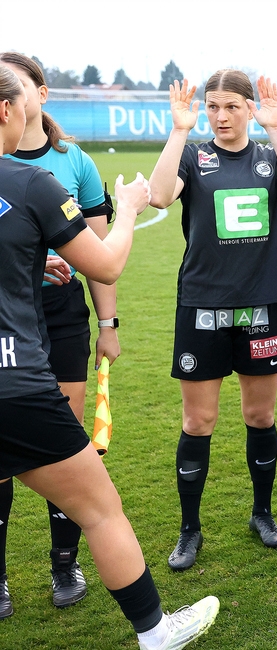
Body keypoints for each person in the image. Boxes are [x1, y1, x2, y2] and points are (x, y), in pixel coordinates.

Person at [0, 63, 218, 648]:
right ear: (6, 110)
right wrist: (127, 208)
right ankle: (154, 632)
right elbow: (106, 262)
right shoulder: (28, 182)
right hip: (13, 384)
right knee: (100, 509)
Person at [148, 71, 277, 571]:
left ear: (249, 107)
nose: (221, 117)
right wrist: (179, 130)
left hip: (260, 309)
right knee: (198, 420)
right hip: (201, 307)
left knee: (260, 417)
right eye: (214, 107)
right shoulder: (193, 156)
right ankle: (189, 529)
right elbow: (157, 197)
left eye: (231, 107)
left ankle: (262, 514)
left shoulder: (267, 156)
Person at [0, 51, 119, 611]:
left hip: (62, 316)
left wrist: (108, 324)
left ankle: (64, 568)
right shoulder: (21, 178)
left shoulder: (72, 162)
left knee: (66, 440)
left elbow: (94, 256)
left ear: (38, 94)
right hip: (14, 322)